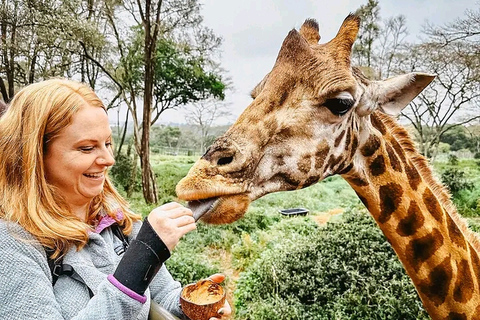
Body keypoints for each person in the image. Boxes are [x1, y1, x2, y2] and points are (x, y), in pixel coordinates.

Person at [0, 78, 231, 320]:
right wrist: (143, 257)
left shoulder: (117, 220)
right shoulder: (12, 242)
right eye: (87, 148)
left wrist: (192, 305)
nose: (109, 159)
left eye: (107, 143)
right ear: (35, 155)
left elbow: (163, 294)